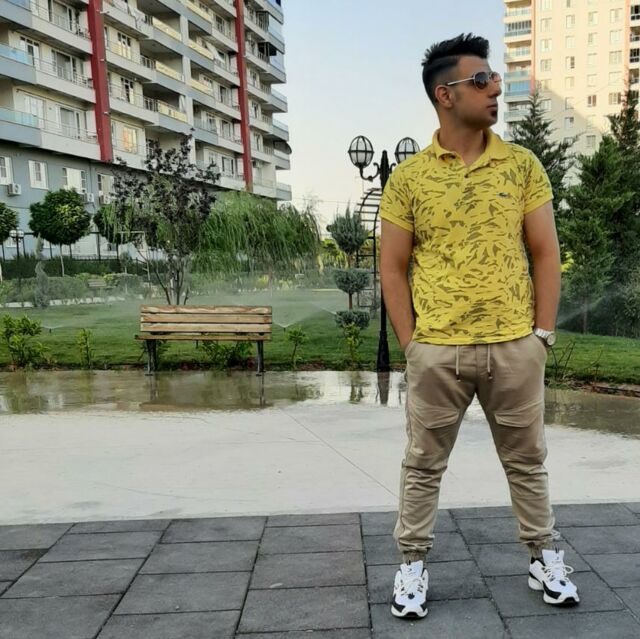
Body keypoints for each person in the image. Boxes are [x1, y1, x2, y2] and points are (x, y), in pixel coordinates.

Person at [379, 33, 579, 620]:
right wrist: (412, 346)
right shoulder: (409, 178)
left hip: (514, 347)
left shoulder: (521, 166)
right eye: (482, 80)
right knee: (422, 465)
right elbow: (392, 268)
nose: (495, 88)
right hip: (437, 351)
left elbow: (545, 253)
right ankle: (412, 565)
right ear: (445, 95)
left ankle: (543, 556)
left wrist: (541, 337)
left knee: (527, 461)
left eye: (493, 78)